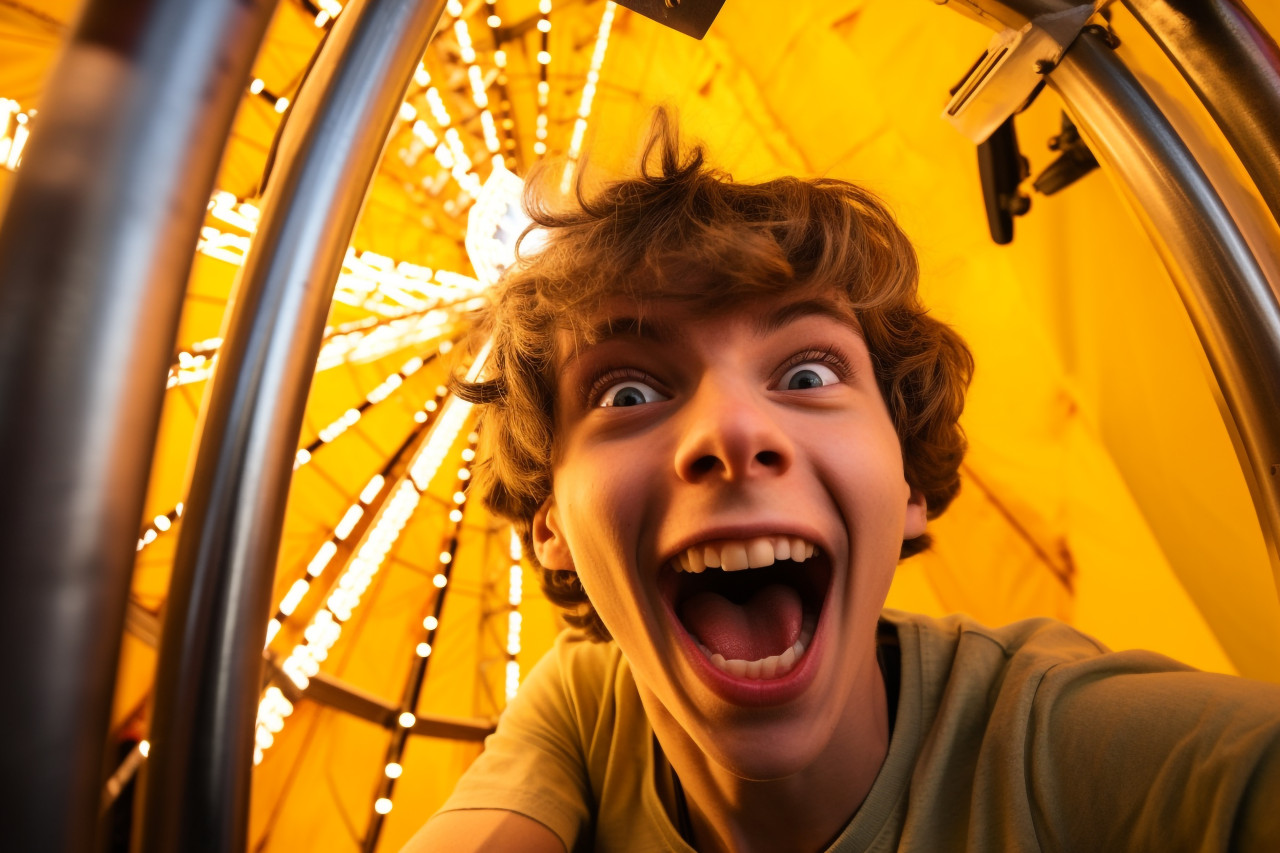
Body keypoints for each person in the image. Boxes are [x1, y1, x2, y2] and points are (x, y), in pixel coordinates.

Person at [405, 110, 1280, 852]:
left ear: (907, 483)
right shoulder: (588, 703)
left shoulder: (1058, 742)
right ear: (551, 522)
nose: (733, 432)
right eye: (627, 390)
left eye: (809, 374)